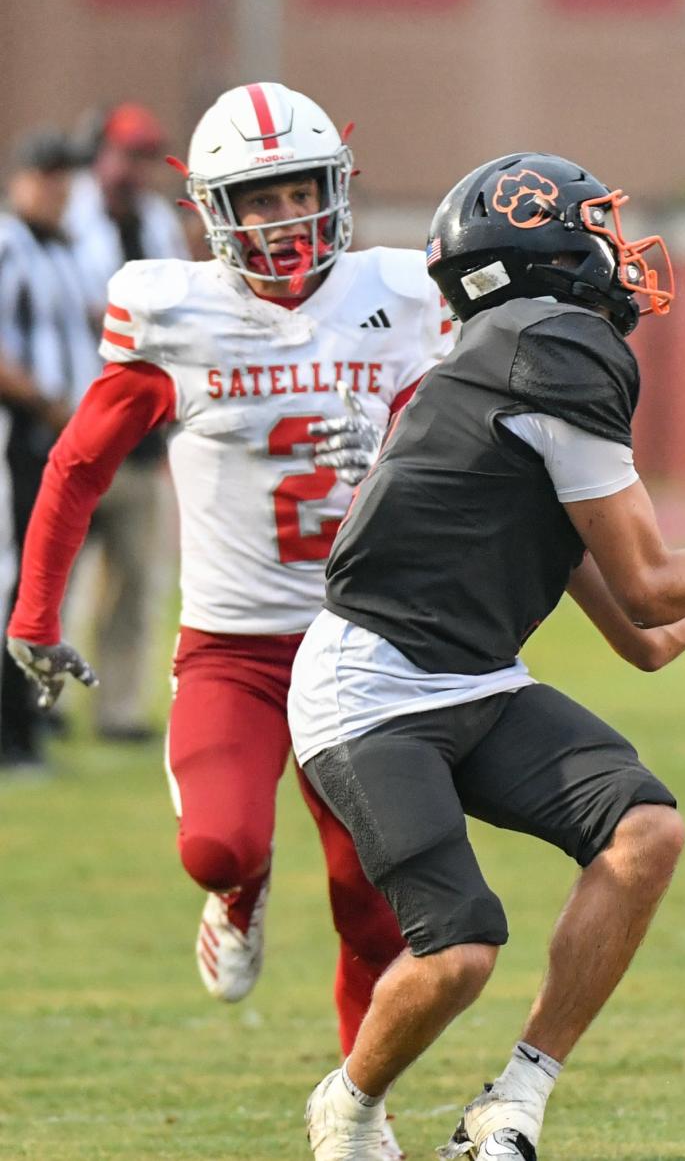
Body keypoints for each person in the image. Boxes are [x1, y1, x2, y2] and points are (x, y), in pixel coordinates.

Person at [284, 152, 685, 1161]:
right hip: (373, 692)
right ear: (543, 245)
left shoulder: (510, 361)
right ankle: (346, 1105)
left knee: (644, 831)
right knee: (460, 952)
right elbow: (656, 589)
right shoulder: (554, 346)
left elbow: (643, 639)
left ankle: (510, 1105)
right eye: (597, 224)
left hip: (472, 677)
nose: (617, 247)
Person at [6, 82, 455, 1158]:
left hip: (364, 650)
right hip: (236, 648)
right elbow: (77, 463)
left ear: (337, 187)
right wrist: (33, 607)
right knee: (218, 841)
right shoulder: (178, 311)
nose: (288, 218)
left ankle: (359, 1108)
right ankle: (239, 898)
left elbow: (463, 451)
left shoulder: (398, 295)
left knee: (372, 907)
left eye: (303, 191)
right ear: (215, 211)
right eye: (261, 199)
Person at [64, 101, 192, 741]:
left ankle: (116, 709)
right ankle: (46, 703)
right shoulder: (68, 216)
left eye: (147, 156)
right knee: (63, 574)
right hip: (76, 423)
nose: (138, 169)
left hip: (141, 435)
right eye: (128, 154)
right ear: (99, 152)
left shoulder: (153, 223)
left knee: (136, 581)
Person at [0, 129, 101, 769]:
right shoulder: (9, 244)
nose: (58, 189)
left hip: (63, 439)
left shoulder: (65, 249)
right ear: (20, 181)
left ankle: (31, 721)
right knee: (21, 576)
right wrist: (47, 400)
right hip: (23, 436)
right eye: (47, 175)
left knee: (48, 579)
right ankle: (10, 730)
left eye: (65, 177)